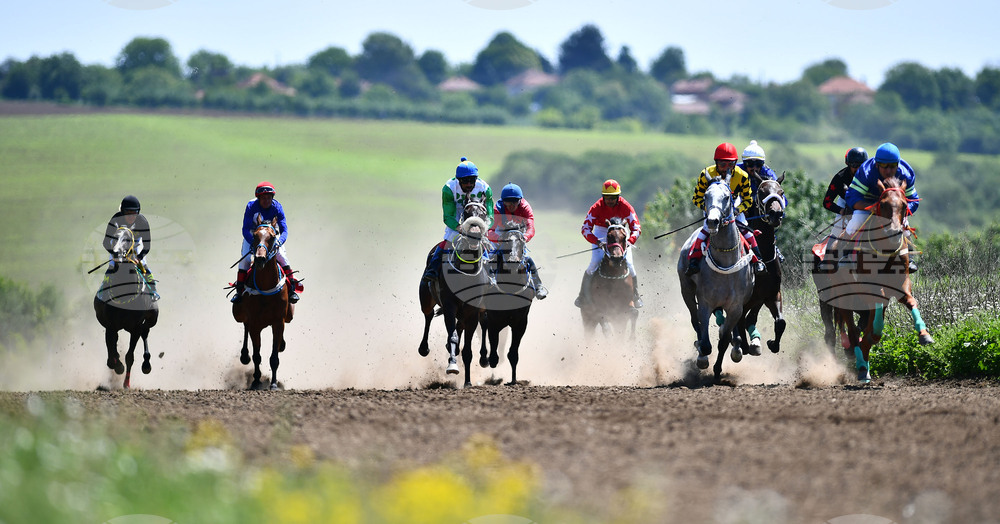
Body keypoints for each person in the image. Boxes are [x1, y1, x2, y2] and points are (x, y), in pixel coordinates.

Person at [686, 142, 766, 276]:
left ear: (735, 163)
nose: (726, 168)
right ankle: (693, 260)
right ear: (716, 163)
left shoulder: (742, 176)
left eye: (731, 165)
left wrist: (736, 210)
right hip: (713, 207)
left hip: (733, 208)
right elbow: (697, 199)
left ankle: (758, 260)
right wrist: (712, 209)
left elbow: (748, 200)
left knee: (747, 232)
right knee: (706, 230)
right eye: (723, 164)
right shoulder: (705, 174)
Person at [842, 142, 919, 272]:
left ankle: (909, 257)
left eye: (893, 166)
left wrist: (901, 211)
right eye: (884, 166)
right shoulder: (866, 173)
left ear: (898, 164)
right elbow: (851, 197)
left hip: (893, 208)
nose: (889, 171)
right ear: (877, 164)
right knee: (855, 222)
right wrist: (871, 207)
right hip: (868, 203)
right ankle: (846, 255)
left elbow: (914, 201)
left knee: (905, 227)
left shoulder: (905, 173)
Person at [422, 157, 495, 282]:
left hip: (476, 212)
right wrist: (459, 227)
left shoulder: (485, 188)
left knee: (483, 240)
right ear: (458, 180)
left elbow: (490, 215)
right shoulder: (449, 188)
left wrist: (483, 228)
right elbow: (448, 216)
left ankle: (491, 274)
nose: (469, 185)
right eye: (465, 181)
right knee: (451, 237)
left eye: (472, 181)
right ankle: (433, 268)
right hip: (456, 210)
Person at [575, 179, 643, 308]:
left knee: (629, 264)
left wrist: (629, 241)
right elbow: (585, 229)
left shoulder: (625, 206)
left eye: (613, 198)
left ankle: (636, 296)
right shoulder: (596, 207)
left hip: (621, 232)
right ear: (603, 197)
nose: (610, 201)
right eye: (607, 198)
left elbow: (637, 228)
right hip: (602, 232)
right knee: (594, 263)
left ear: (618, 197)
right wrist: (597, 242)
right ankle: (582, 295)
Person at [231, 181, 301, 303]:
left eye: (269, 198)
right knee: (245, 260)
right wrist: (254, 242)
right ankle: (239, 292)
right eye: (263, 198)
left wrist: (279, 242)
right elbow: (245, 229)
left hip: (272, 237)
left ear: (272, 198)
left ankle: (291, 291)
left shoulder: (277, 207)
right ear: (258, 198)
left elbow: (284, 230)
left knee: (281, 256)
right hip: (254, 236)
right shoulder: (251, 206)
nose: (266, 201)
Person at [487, 183, 548, 299]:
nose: (511, 205)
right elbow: (489, 230)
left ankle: (538, 286)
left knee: (526, 257)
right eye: (508, 202)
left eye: (514, 201)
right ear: (503, 201)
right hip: (501, 232)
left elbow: (531, 228)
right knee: (491, 256)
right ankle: (489, 283)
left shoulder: (525, 207)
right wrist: (499, 238)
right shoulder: (497, 209)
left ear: (520, 200)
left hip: (518, 232)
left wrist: (524, 238)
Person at [102, 195, 159, 301]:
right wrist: (114, 254)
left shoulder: (142, 222)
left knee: (144, 266)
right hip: (118, 244)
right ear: (123, 212)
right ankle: (103, 291)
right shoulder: (115, 219)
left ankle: (153, 291)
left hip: (136, 243)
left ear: (138, 212)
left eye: (134, 213)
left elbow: (147, 246)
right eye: (128, 213)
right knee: (112, 266)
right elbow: (106, 242)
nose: (131, 217)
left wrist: (139, 257)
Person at [739, 140, 786, 262]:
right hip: (741, 200)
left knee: (773, 214)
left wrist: (779, 210)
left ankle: (774, 246)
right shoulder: (737, 170)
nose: (754, 168)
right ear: (744, 163)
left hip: (760, 201)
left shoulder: (768, 173)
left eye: (758, 164)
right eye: (750, 164)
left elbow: (778, 194)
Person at [821, 147, 868, 252]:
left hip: (866, 205)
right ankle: (827, 259)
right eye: (854, 165)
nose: (858, 169)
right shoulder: (839, 178)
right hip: (845, 204)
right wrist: (841, 211)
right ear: (848, 164)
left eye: (861, 165)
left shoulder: (870, 176)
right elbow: (827, 202)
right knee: (837, 231)